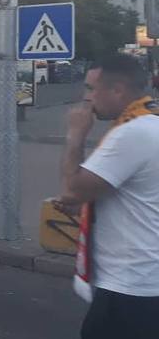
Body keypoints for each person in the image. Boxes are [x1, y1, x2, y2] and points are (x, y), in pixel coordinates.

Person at [55, 55, 159, 338]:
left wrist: (75, 135)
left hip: (130, 284)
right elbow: (138, 195)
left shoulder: (130, 134)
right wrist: (84, 208)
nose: (86, 97)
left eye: (91, 88)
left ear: (117, 90)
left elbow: (72, 189)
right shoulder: (151, 123)